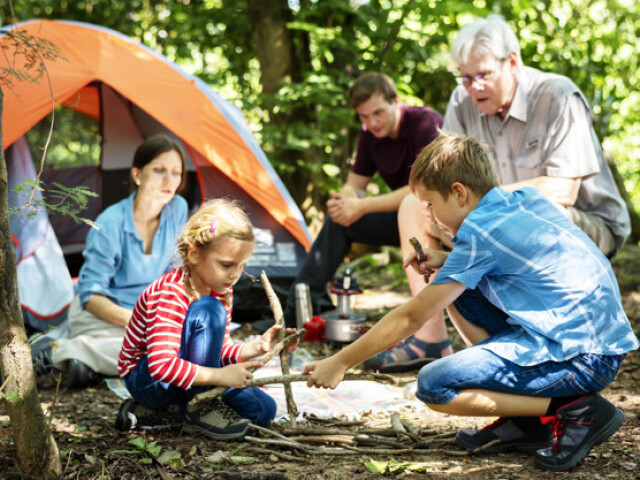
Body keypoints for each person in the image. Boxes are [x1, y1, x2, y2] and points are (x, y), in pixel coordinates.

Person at [304, 132, 639, 472]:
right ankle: (525, 420)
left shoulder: (479, 233)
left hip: (582, 359)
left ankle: (577, 410)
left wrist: (342, 361)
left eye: (431, 205)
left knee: (434, 386)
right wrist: (444, 260)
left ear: (459, 193)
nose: (430, 217)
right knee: (458, 288)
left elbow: (412, 317)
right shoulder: (520, 198)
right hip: (597, 342)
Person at [394, 14, 632, 370]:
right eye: (464, 77)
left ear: (513, 62)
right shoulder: (462, 100)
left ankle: (537, 364)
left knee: (534, 218)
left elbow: (563, 190)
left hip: (581, 221)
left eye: (483, 75)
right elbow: (445, 181)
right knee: (414, 206)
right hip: (497, 225)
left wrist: (485, 207)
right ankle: (430, 337)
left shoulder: (557, 95)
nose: (472, 87)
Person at [284, 72, 450, 372]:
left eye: (378, 113)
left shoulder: (425, 123)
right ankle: (302, 310)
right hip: (399, 217)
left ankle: (430, 335)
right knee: (339, 222)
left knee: (400, 207)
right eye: (364, 117)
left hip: (434, 216)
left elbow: (420, 188)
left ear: (396, 102)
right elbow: (355, 182)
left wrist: (361, 206)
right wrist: (345, 201)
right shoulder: (369, 134)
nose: (372, 123)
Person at [115, 199, 297, 439]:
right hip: (148, 380)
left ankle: (161, 412)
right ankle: (195, 408)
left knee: (263, 410)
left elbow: (216, 351)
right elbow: (161, 366)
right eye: (226, 264)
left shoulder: (221, 289)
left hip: (191, 377)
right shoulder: (171, 292)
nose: (234, 275)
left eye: (242, 266)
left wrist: (259, 347)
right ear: (194, 254)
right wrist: (220, 376)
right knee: (208, 310)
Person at [36, 135, 189, 387]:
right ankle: (57, 354)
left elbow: (173, 273)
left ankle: (84, 361)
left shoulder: (177, 208)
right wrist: (144, 322)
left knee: (179, 344)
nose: (169, 181)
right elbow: (91, 297)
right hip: (100, 314)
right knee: (164, 353)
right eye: (159, 170)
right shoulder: (110, 222)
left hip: (144, 315)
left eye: (176, 172)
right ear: (137, 175)